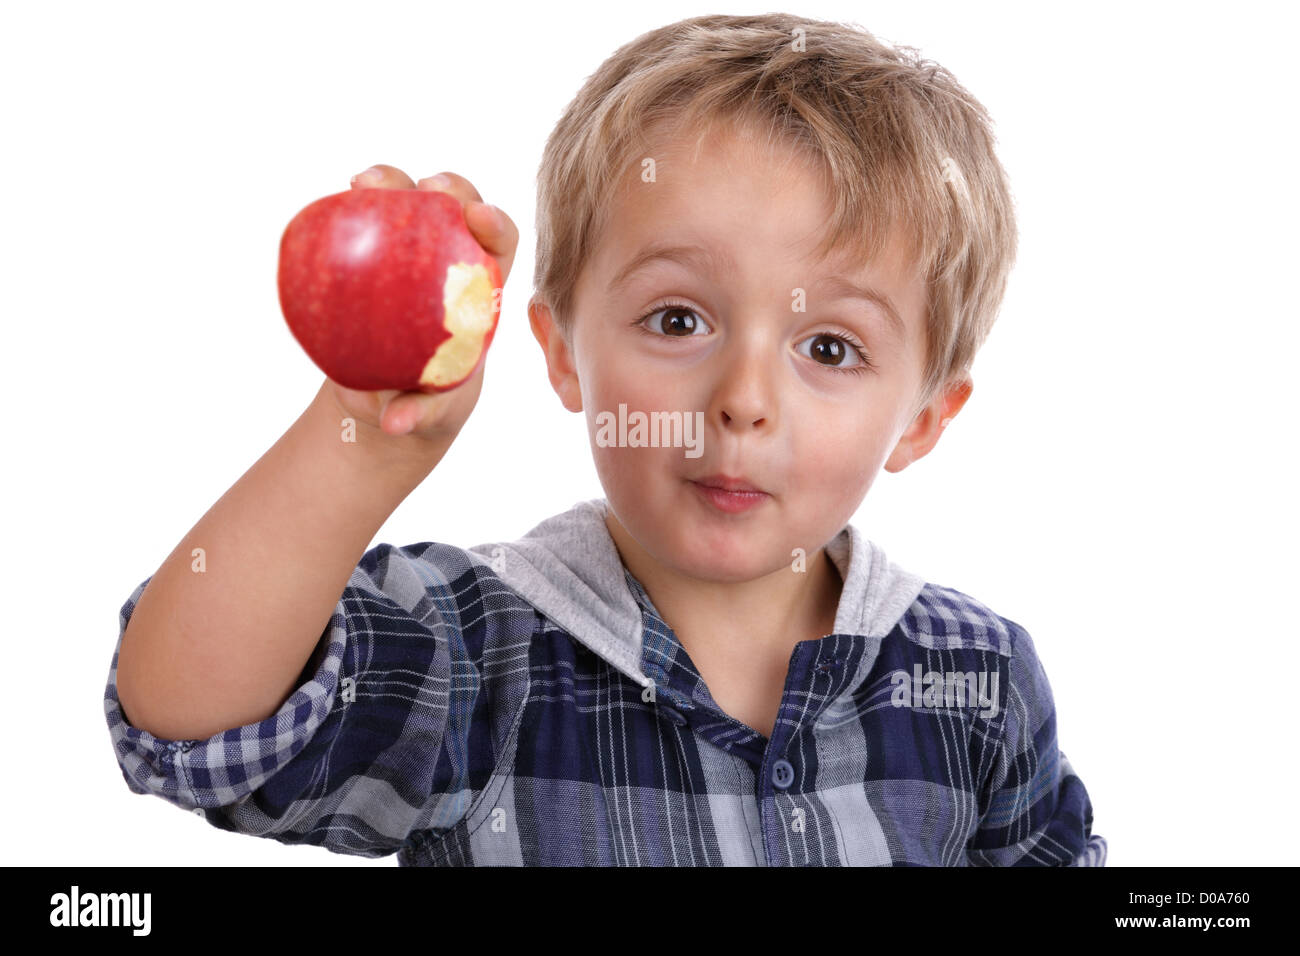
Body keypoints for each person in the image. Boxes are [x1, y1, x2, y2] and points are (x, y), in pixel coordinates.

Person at [105, 12, 1105, 866]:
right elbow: (191, 721)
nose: (743, 400)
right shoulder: (475, 650)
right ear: (563, 351)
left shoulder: (979, 679)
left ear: (923, 418)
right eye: (678, 319)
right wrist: (365, 442)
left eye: (829, 345)